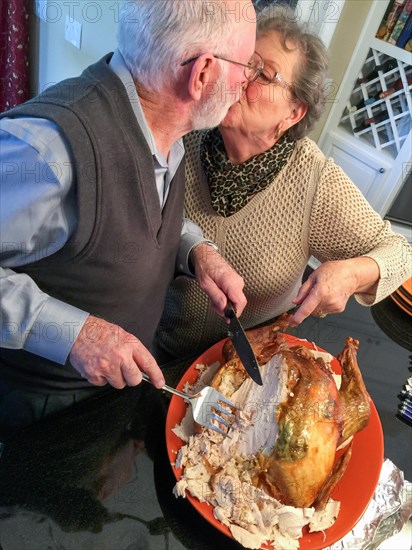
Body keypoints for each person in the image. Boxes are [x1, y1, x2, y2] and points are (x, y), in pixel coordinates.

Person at [0, 0, 259, 402]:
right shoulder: (49, 152)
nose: (248, 81)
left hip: (118, 402)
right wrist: (76, 334)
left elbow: (134, 212)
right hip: (43, 423)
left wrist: (196, 251)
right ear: (203, 73)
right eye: (247, 65)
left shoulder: (170, 131)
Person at [154, 5, 412, 362]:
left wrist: (351, 274)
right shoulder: (186, 130)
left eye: (264, 74)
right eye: (244, 62)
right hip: (154, 346)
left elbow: (401, 253)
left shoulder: (313, 179)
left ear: (293, 112)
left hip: (240, 365)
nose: (242, 77)